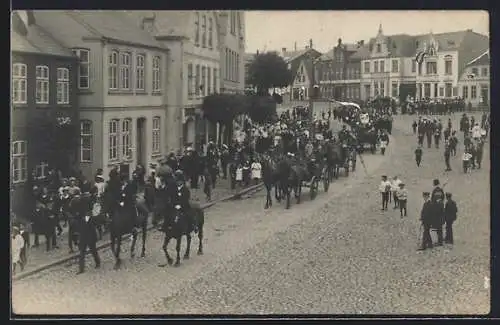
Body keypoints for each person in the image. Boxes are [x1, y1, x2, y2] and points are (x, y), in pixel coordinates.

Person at [76, 192, 101, 274]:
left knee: (93, 251)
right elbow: (79, 228)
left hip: (91, 237)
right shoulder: (80, 218)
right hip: (83, 237)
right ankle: (81, 269)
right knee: (82, 253)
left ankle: (98, 262)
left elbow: (96, 226)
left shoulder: (92, 218)